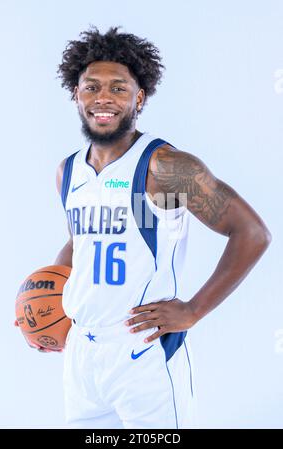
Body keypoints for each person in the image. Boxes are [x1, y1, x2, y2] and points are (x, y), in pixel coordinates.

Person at [20, 26, 272, 429]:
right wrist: (46, 304)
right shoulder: (68, 171)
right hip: (82, 354)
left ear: (139, 98)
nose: (104, 97)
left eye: (119, 88)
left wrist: (194, 310)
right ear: (75, 95)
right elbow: (79, 241)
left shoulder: (165, 166)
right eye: (92, 87)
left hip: (143, 350)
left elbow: (252, 233)